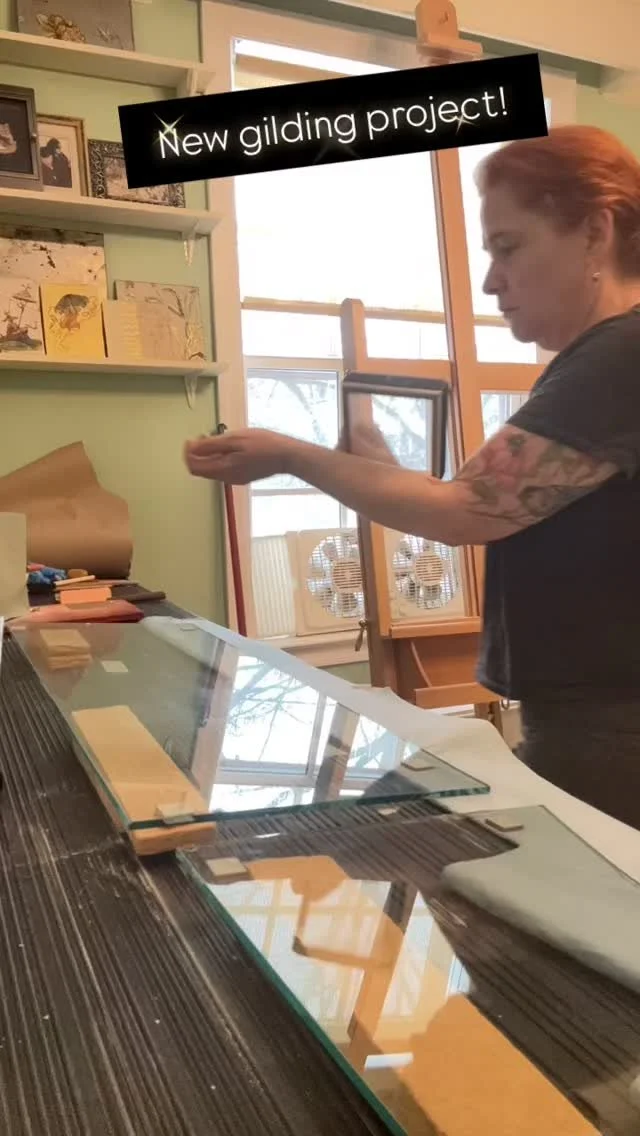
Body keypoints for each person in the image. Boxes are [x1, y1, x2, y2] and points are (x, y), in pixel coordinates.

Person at [185, 125, 640, 831]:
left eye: (508, 247)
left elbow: (464, 511)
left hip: (610, 732)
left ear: (594, 232)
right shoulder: (607, 359)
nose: (491, 280)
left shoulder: (619, 356)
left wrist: (292, 456)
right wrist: (378, 471)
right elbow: (500, 508)